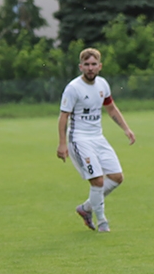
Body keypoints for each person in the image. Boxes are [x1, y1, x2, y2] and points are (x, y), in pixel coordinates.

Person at [57, 48, 135, 233]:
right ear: (80, 67)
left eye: (93, 64)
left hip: (98, 138)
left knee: (116, 178)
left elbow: (111, 108)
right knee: (98, 181)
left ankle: (86, 209)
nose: (90, 68)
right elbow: (63, 117)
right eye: (87, 65)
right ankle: (102, 223)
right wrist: (62, 144)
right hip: (79, 139)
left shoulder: (102, 85)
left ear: (99, 66)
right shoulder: (73, 88)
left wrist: (126, 129)